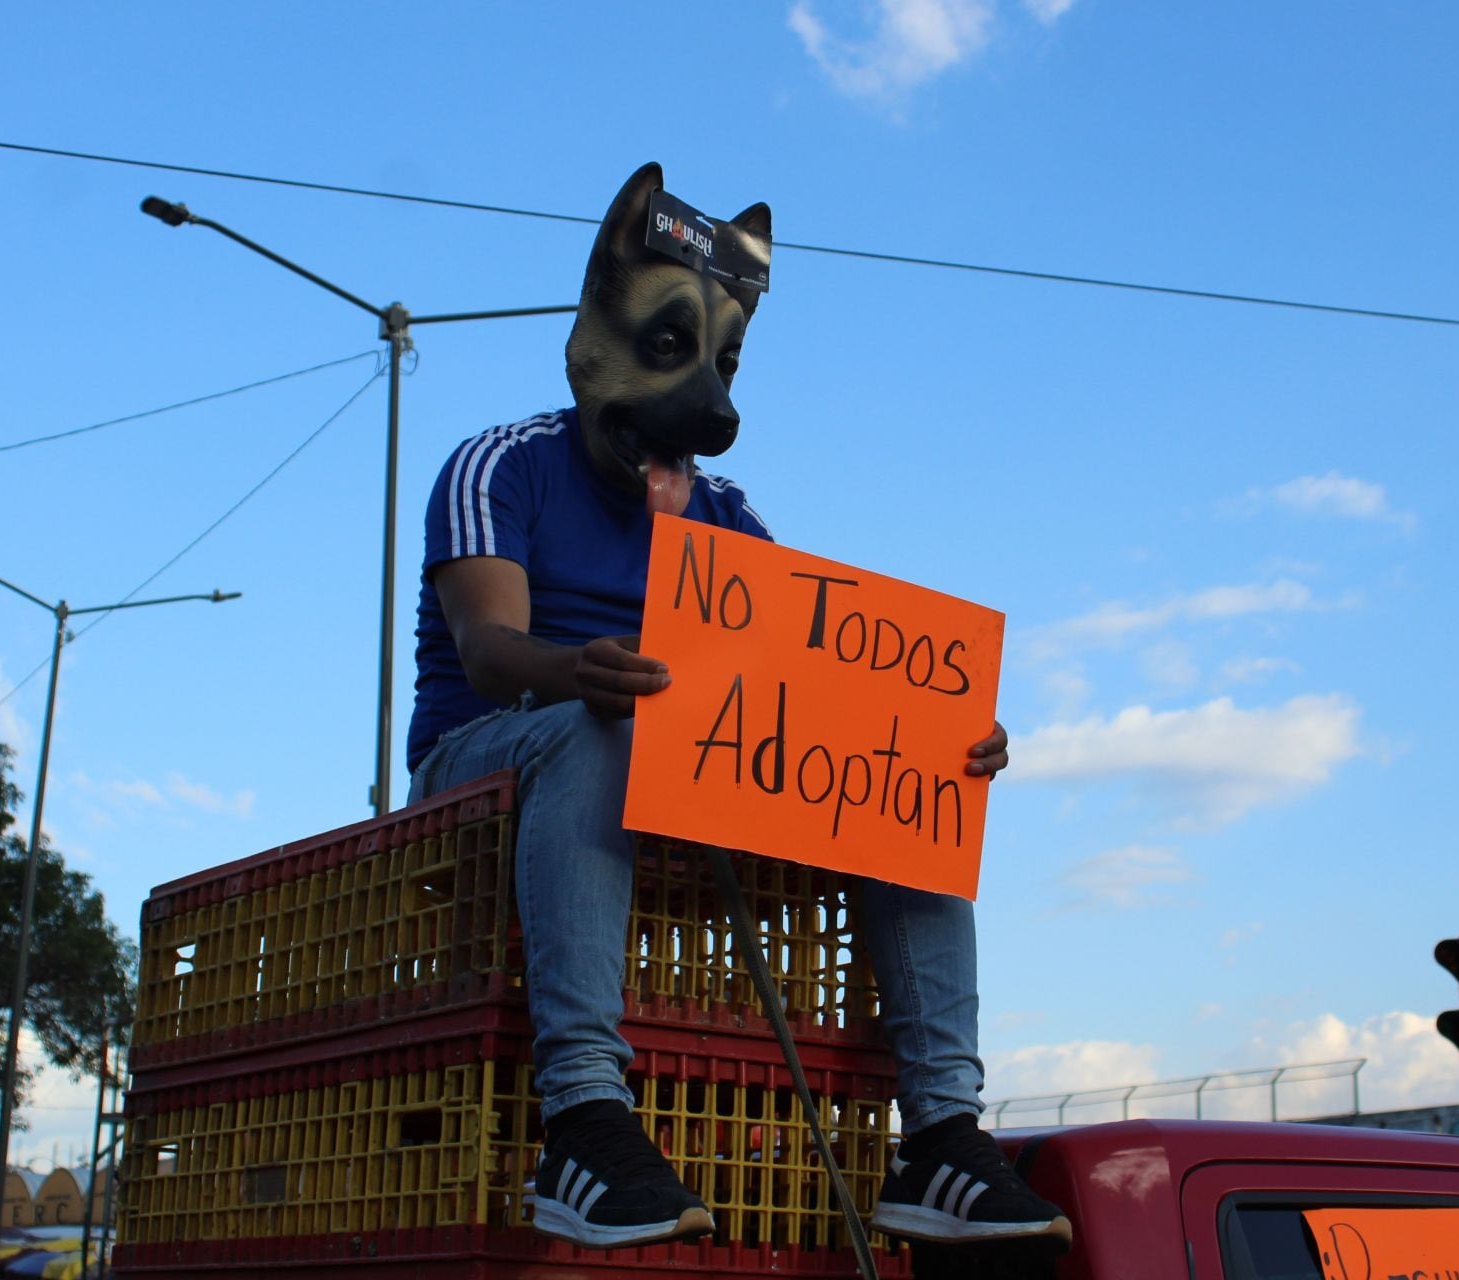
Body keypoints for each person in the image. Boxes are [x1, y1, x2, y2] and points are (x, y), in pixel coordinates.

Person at [403, 163, 1071, 1252]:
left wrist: (940, 735)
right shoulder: (501, 464)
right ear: (590, 344)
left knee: (912, 786)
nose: (707, 402)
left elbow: (810, 684)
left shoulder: (729, 513)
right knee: (597, 728)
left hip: (674, 767)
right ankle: (581, 1108)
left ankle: (942, 1127)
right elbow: (489, 652)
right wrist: (585, 671)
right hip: (492, 756)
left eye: (721, 361)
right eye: (670, 350)